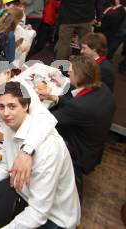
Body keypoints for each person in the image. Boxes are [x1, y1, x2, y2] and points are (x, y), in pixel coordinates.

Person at [0, 81, 80, 229]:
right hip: (24, 191)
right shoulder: (12, 125)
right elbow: (6, 165)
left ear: (26, 106)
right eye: (1, 107)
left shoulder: (49, 148)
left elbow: (38, 213)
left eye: (12, 106)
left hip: (54, 217)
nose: (5, 113)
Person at [41, 55, 116, 198]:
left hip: (77, 151)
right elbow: (78, 103)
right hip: (93, 148)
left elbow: (48, 120)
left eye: (71, 71)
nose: (68, 72)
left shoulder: (79, 106)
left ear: (80, 76)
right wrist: (54, 97)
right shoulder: (103, 89)